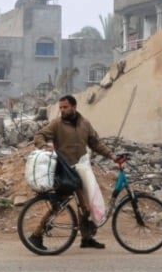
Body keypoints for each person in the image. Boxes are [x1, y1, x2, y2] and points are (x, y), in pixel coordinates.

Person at [32, 94, 119, 250]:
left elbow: (95, 143)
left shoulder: (85, 124)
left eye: (65, 107)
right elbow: (39, 135)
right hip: (64, 171)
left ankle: (86, 239)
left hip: (80, 170)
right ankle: (36, 235)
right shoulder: (57, 124)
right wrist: (44, 145)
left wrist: (112, 156)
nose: (62, 110)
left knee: (86, 206)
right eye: (60, 108)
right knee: (59, 205)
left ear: (74, 107)